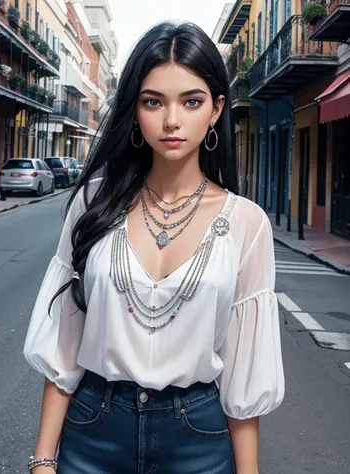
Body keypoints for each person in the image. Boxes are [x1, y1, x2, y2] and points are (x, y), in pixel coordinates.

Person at [23, 21, 285, 474]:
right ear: (134, 110)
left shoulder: (247, 223)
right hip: (93, 430)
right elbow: (63, 345)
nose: (171, 121)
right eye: (152, 102)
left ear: (217, 109)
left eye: (191, 101)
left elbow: (246, 371)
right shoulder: (94, 203)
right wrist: (44, 460)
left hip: (198, 439)